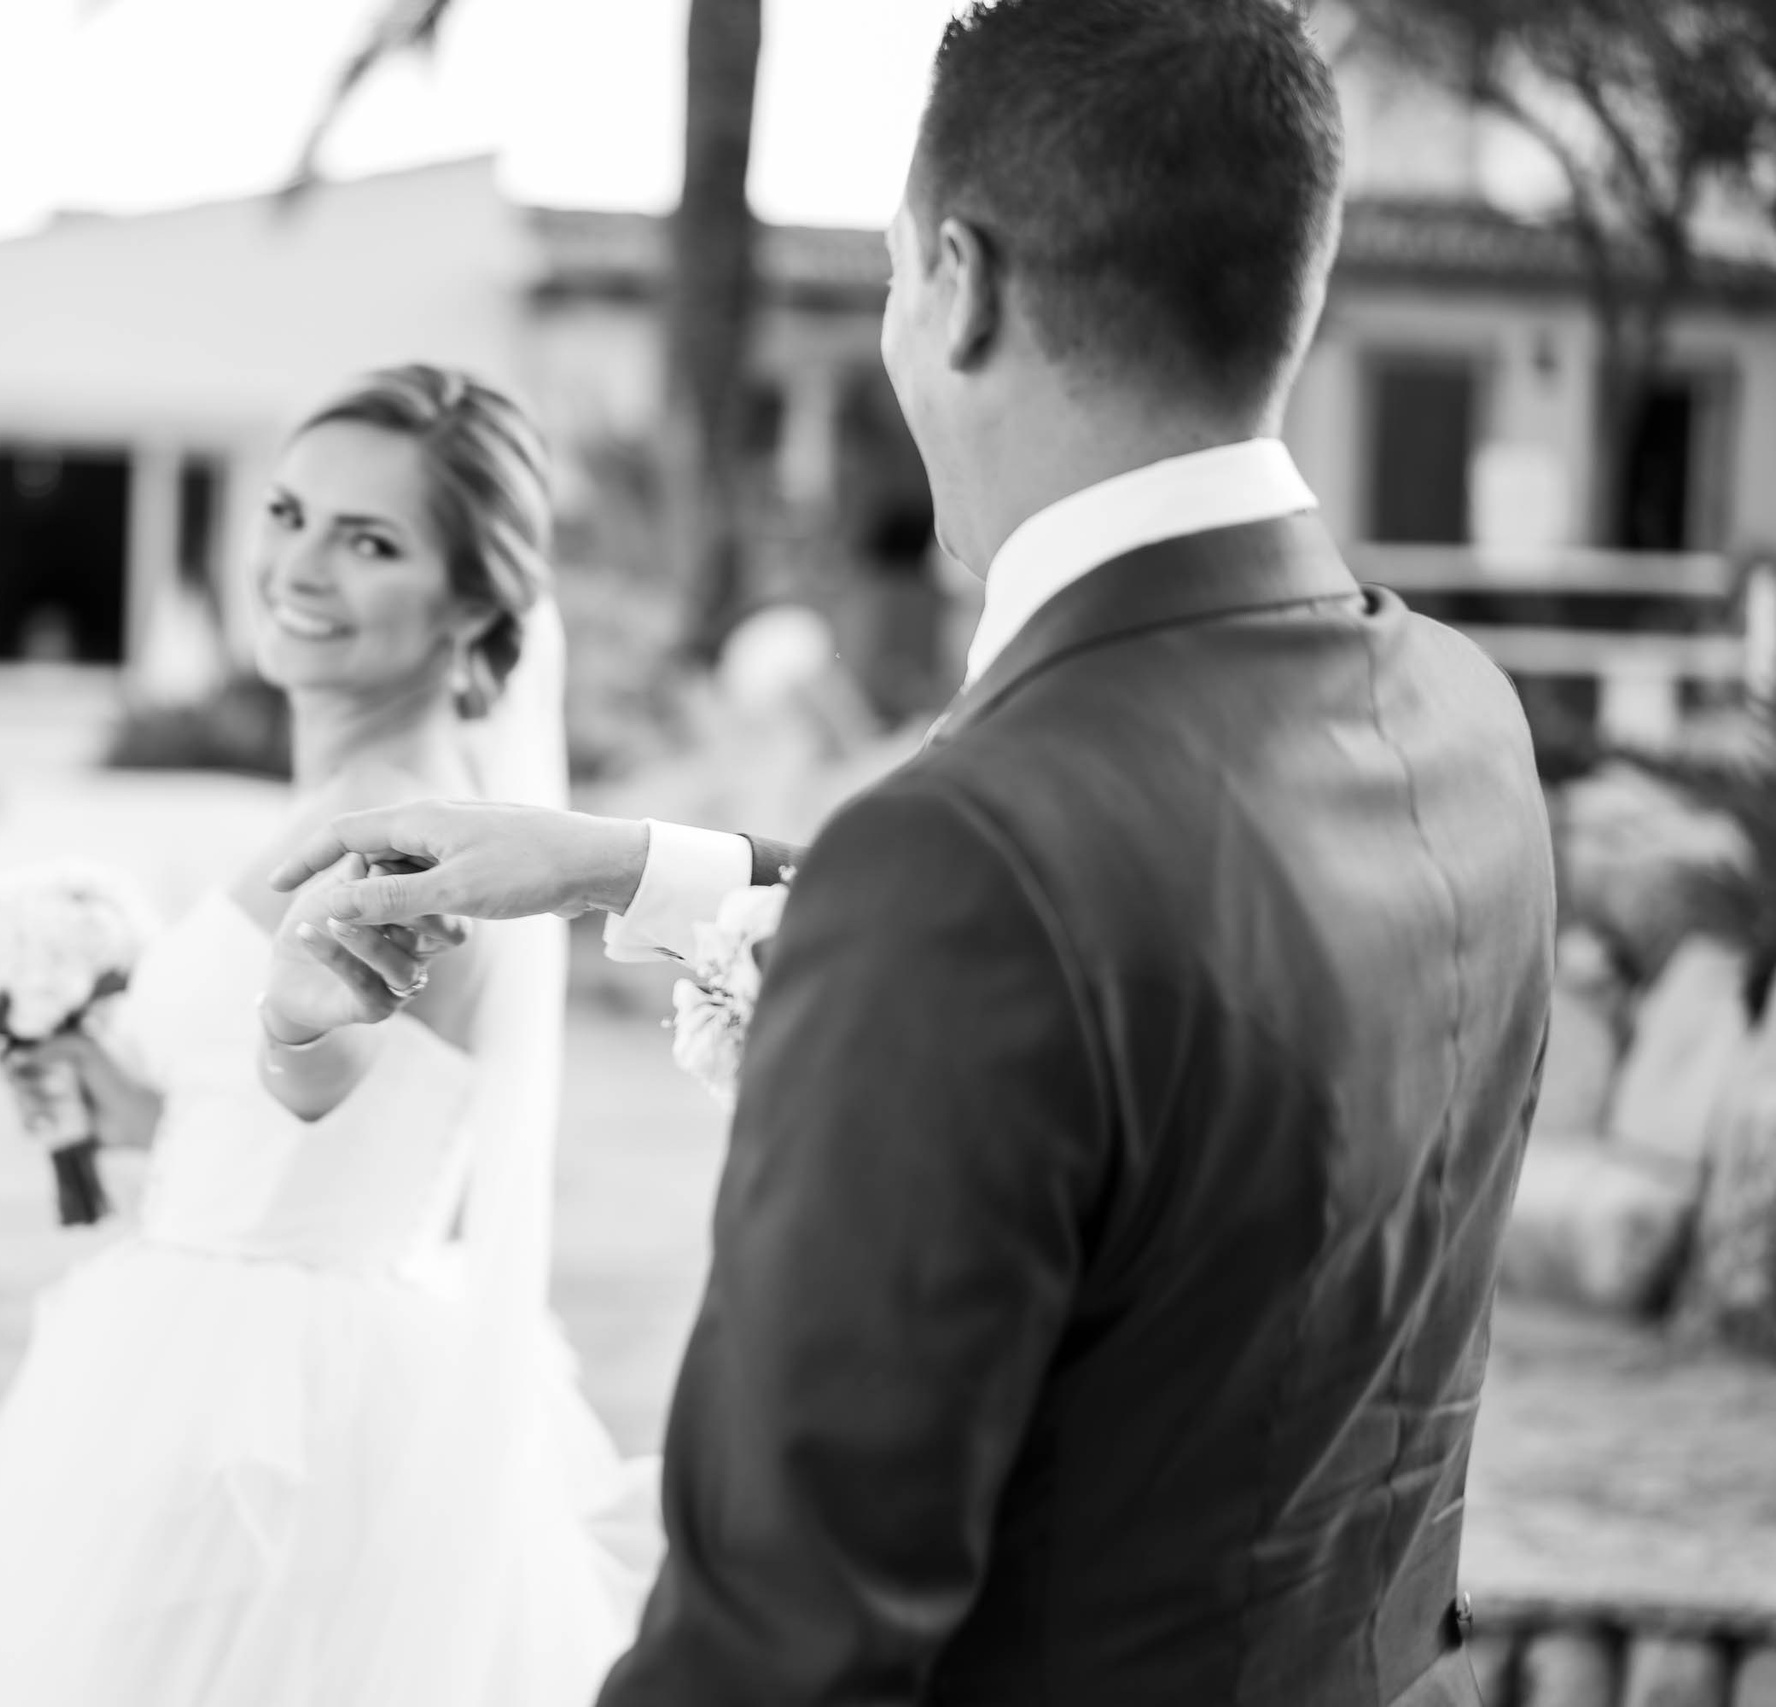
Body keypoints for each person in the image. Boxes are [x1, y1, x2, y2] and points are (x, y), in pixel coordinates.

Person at [274, 3, 1556, 1702]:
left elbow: (782, 1645)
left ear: (958, 280)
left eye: (889, 274)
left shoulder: (970, 868)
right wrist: (614, 865)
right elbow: (1137, 957)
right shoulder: (1464, 718)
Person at [0, 364, 654, 1705]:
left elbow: (320, 1069)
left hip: (266, 1405)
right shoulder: (371, 792)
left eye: (369, 542)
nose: (300, 565)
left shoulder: (400, 828)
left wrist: (295, 1038)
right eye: (290, 515)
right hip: (276, 1341)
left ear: (473, 602)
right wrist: (93, 1085)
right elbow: (295, 1114)